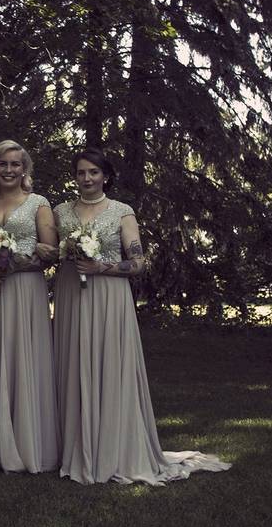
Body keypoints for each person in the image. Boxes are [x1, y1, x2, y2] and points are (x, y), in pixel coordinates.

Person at [53, 148, 231, 484]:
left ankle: (114, 448)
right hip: (71, 295)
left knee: (109, 365)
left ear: (105, 176)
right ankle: (75, 446)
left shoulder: (122, 212)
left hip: (109, 297)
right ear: (74, 176)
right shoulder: (61, 211)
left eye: (94, 172)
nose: (87, 178)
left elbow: (137, 263)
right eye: (81, 172)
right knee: (73, 364)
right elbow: (52, 250)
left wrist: (101, 266)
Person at [0, 140, 60, 473]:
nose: (8, 170)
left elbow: (49, 251)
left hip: (24, 291)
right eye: (2, 164)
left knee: (24, 357)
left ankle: (28, 443)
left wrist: (12, 264)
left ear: (25, 169)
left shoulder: (39, 204)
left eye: (15, 165)